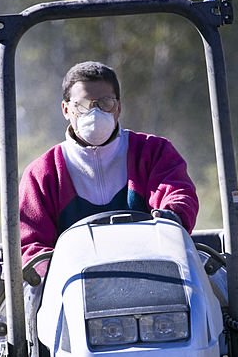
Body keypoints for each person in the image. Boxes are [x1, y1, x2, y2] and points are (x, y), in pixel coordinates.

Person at [19, 60, 199, 267]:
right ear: (66, 109)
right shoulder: (43, 174)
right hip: (73, 288)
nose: (95, 113)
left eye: (105, 104)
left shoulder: (153, 151)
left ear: (118, 107)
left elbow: (178, 192)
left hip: (155, 272)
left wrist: (172, 215)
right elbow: (32, 243)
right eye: (83, 105)